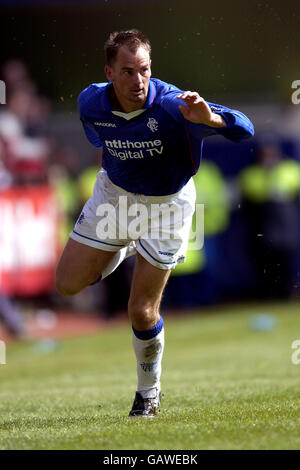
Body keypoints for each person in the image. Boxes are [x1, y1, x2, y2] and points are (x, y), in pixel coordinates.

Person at [55, 29, 254, 417]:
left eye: (144, 70)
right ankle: (124, 245)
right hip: (115, 195)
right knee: (66, 285)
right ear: (109, 72)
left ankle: (148, 392)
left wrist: (210, 118)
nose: (138, 81)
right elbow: (102, 143)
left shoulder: (173, 105)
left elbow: (245, 128)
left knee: (141, 310)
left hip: (167, 205)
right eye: (127, 71)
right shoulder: (89, 103)